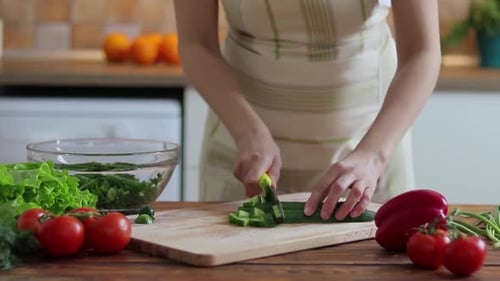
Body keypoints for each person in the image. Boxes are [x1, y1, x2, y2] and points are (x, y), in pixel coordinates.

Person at [173, 0, 441, 221]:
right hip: (244, 141)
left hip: (369, 141)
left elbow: (422, 50)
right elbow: (198, 44)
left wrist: (373, 155)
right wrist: (246, 131)